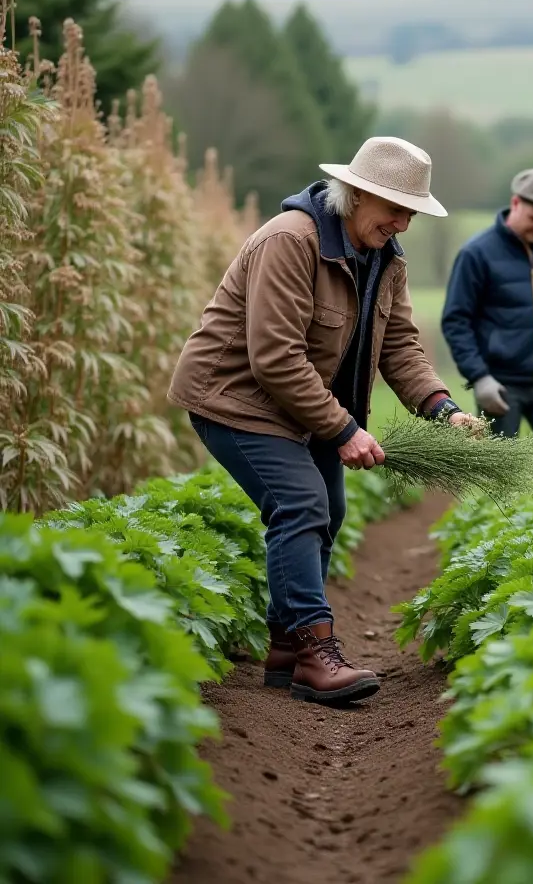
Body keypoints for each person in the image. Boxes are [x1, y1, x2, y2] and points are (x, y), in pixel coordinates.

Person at [168, 136, 481, 708]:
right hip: (236, 398)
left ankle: (287, 650)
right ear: (358, 194)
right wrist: (343, 430)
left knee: (329, 509)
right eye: (396, 210)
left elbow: (401, 347)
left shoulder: (386, 260)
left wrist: (444, 410)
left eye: (411, 212)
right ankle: (316, 653)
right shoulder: (290, 241)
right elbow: (275, 358)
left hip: (301, 408)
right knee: (301, 504)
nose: (404, 223)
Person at [440, 168, 533, 484]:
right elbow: (455, 321)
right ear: (515, 203)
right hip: (500, 385)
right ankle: (504, 528)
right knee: (501, 471)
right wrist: (479, 378)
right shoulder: (476, 254)